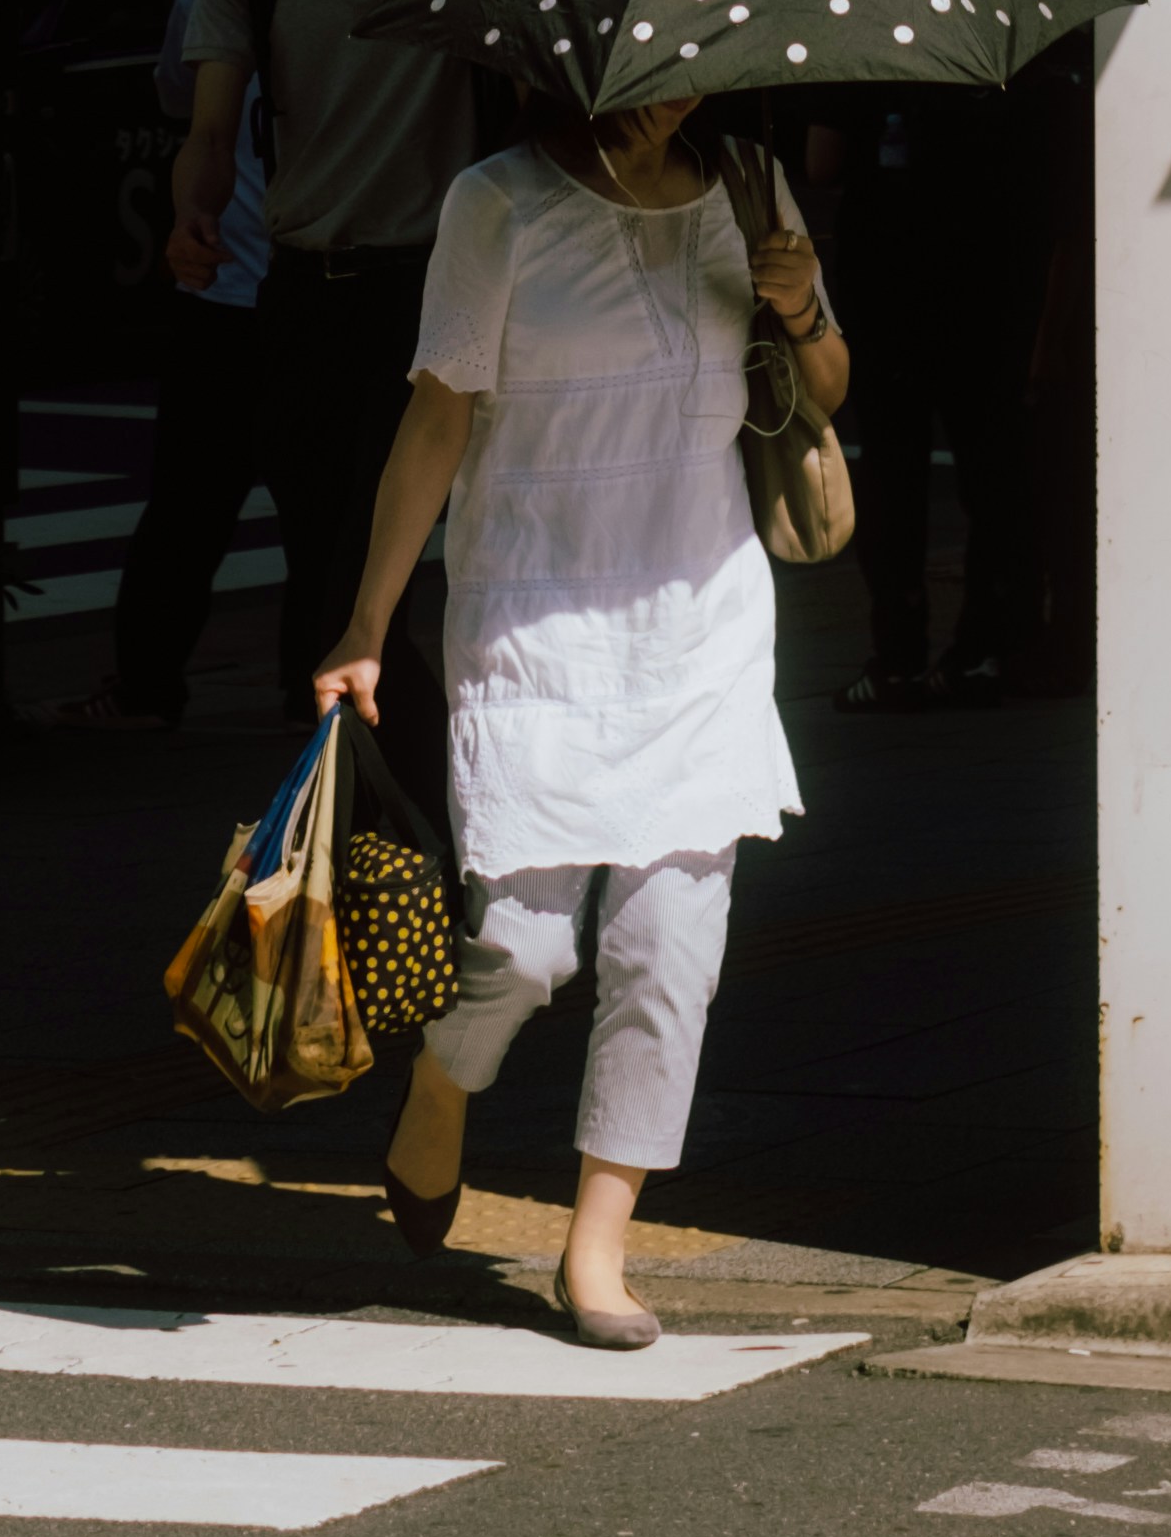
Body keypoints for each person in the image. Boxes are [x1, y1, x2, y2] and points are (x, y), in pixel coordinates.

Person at [314, 79, 845, 1350]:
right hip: (536, 609)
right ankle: (442, 1080)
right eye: (644, 61)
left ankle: (595, 1246)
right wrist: (367, 622)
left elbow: (824, 383)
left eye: (691, 65)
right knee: (526, 950)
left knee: (670, 955)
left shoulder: (748, 186)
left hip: (699, 618)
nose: (677, 89)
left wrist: (801, 304)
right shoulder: (494, 203)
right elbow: (437, 414)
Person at [172, 0, 468, 803]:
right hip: (299, 293)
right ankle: (376, 822)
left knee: (361, 572)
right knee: (320, 574)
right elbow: (211, 126)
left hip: (432, 292)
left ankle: (426, 820)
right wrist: (191, 212)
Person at [48, 0, 274, 733]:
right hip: (303, 275)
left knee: (188, 506)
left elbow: (181, 99)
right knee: (326, 508)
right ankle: (317, 698)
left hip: (229, 274)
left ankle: (148, 685)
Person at [803, 79, 1033, 709]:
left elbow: (820, 164)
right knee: (988, 473)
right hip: (979, 286)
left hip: (887, 291)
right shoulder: (979, 56)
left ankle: (897, 658)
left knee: (892, 475)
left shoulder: (860, 51)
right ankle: (981, 646)